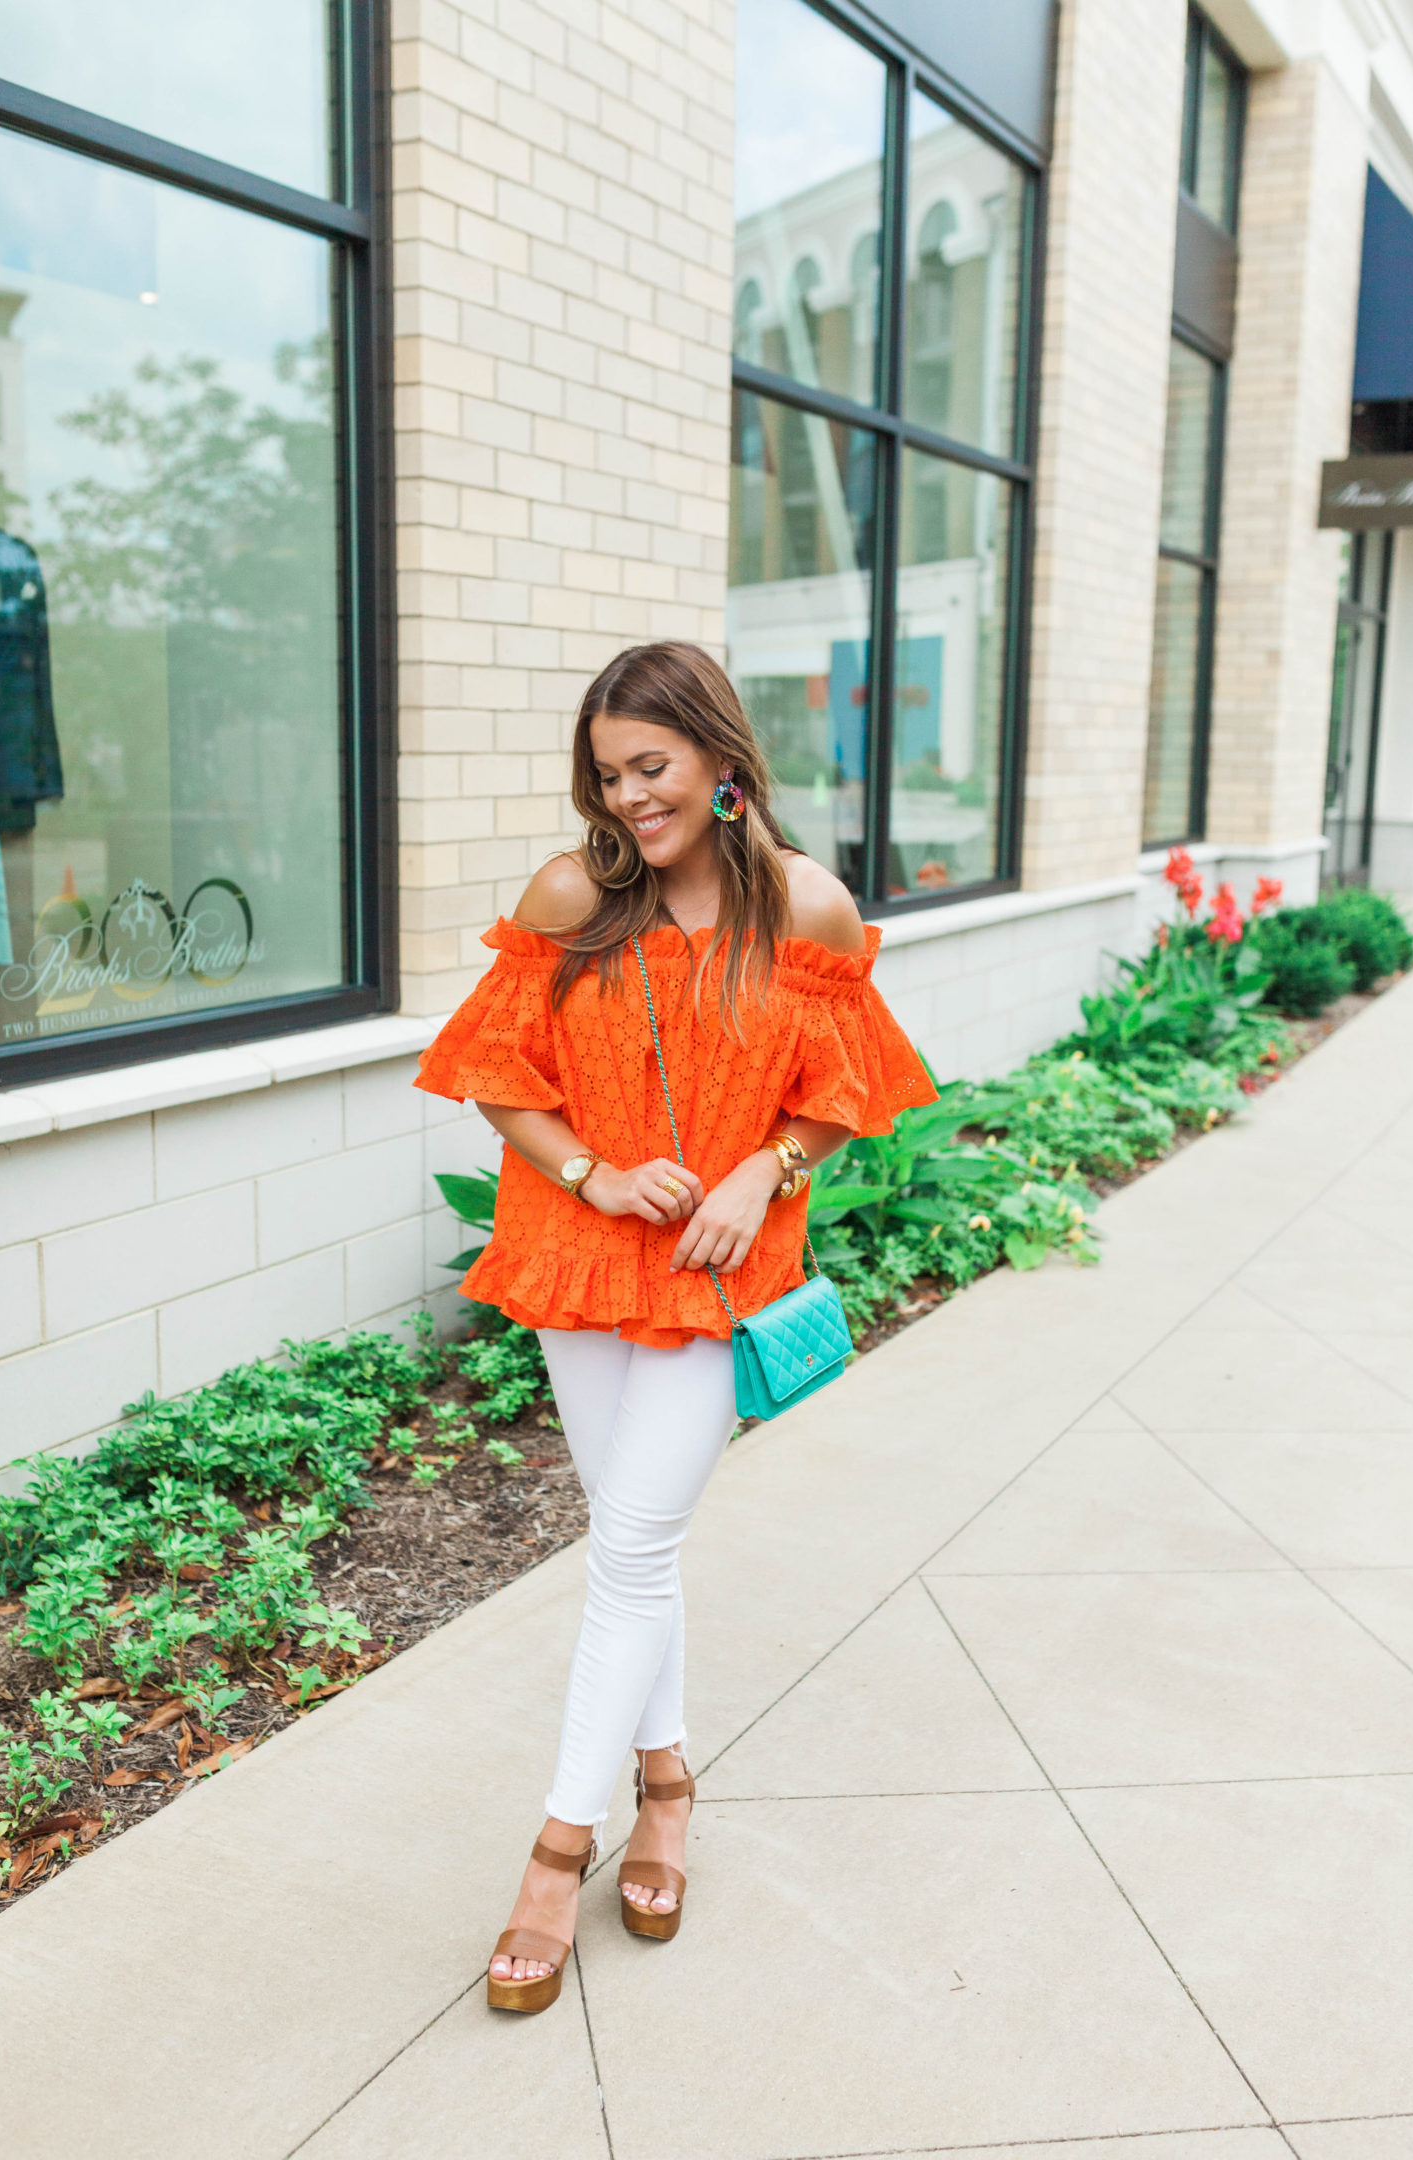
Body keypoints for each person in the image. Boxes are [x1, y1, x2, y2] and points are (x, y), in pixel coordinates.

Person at [414, 641, 935, 2013]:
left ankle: (552, 1856)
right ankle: (668, 1786)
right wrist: (590, 1168)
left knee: (635, 1543)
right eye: (607, 775)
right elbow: (495, 1077)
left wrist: (772, 1167)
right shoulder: (575, 893)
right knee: (631, 1551)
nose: (631, 799)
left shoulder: (808, 914)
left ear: (719, 758)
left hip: (720, 1270)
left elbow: (842, 1088)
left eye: (651, 768)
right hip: (581, 1255)